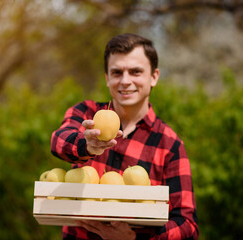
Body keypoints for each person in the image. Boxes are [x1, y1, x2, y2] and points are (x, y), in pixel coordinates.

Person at [51, 33, 199, 240]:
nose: (125, 81)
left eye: (136, 72)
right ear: (107, 78)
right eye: (117, 72)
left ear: (154, 76)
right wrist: (87, 145)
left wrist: (135, 239)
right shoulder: (88, 113)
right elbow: (59, 141)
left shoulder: (169, 144)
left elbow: (187, 225)